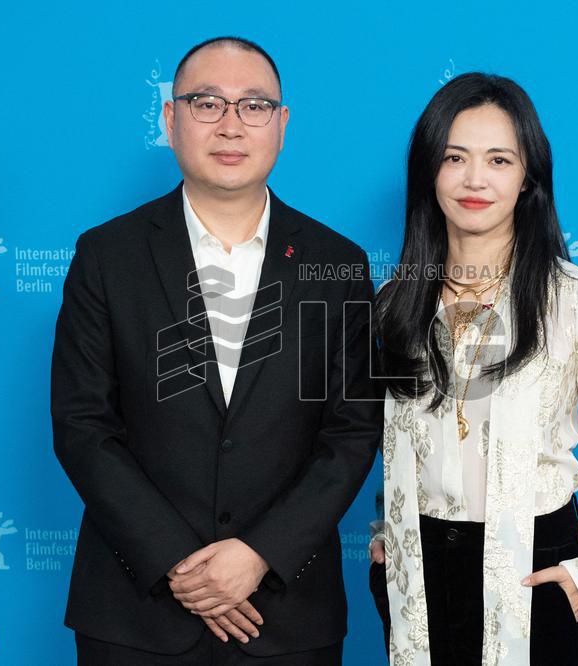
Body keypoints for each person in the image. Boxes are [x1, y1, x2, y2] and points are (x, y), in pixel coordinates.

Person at [51, 35, 382, 665]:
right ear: (170, 119)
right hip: (136, 611)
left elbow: (353, 430)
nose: (231, 125)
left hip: (286, 615)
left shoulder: (336, 263)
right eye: (207, 103)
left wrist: (259, 555)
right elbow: (82, 425)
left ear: (281, 126)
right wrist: (180, 563)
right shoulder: (106, 256)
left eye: (254, 106)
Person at [368, 72, 578, 665]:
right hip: (416, 573)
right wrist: (385, 535)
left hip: (534, 563)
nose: (475, 179)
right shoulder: (396, 299)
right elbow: (397, 440)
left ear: (528, 178)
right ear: (429, 172)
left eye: (499, 159)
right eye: (455, 157)